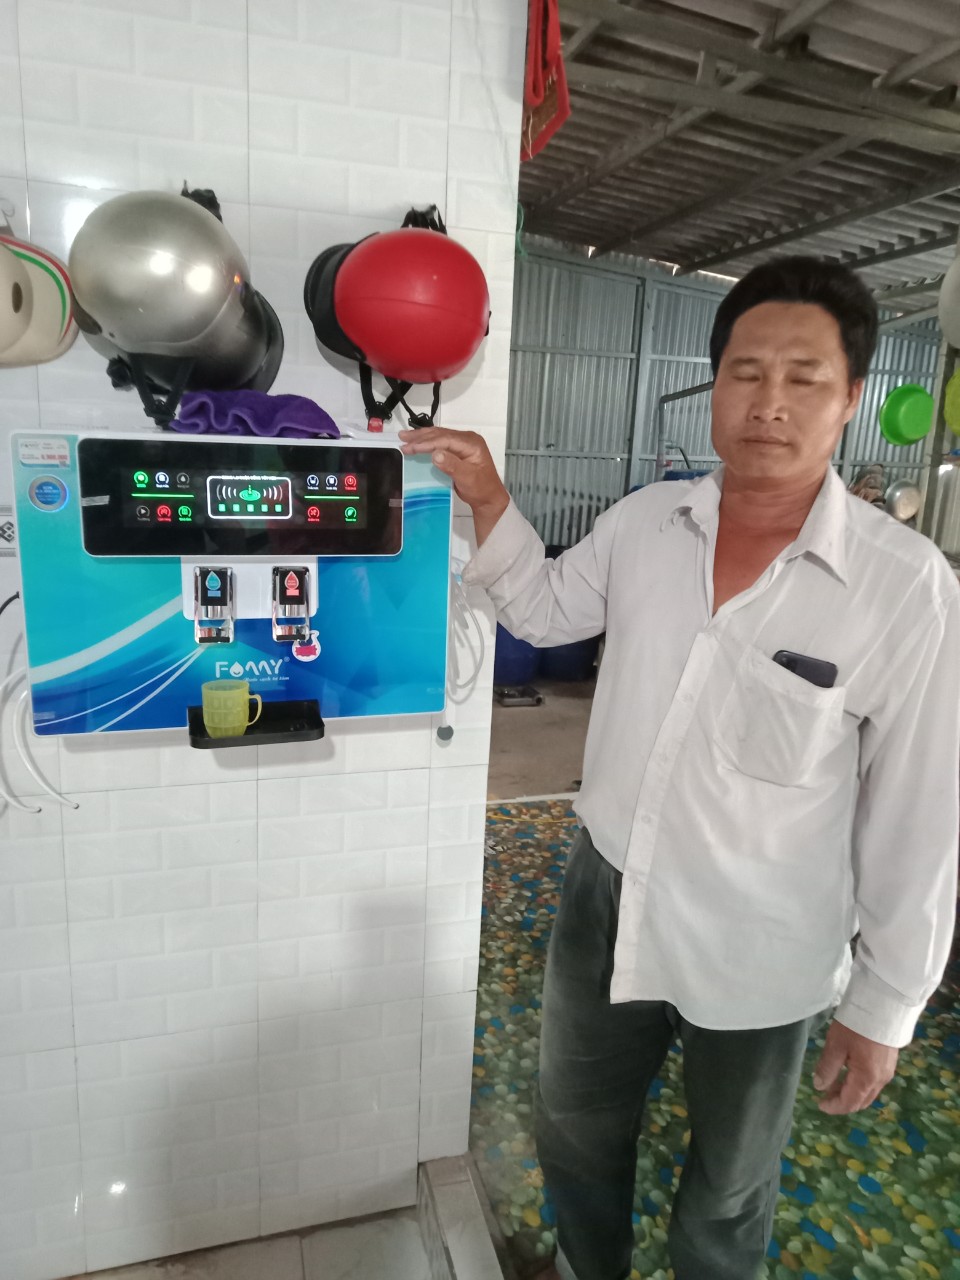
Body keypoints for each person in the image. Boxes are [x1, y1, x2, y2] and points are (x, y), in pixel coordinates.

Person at [399, 256, 960, 1280]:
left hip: (767, 929)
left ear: (850, 398)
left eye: (804, 378)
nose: (770, 403)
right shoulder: (646, 523)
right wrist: (489, 497)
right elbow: (547, 610)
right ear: (715, 386)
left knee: (730, 1181)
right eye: (746, 372)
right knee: (574, 1121)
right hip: (607, 887)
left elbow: (919, 811)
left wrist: (885, 1005)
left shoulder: (903, 585)